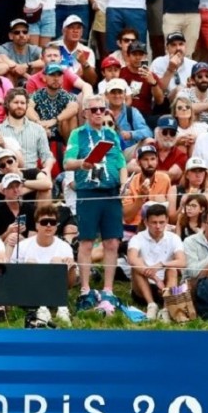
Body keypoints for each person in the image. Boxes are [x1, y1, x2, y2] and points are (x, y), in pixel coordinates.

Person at [63, 95, 128, 315]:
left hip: (111, 192)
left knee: (112, 242)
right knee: (87, 242)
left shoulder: (111, 134)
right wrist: (83, 163)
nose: (99, 112)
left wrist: (123, 184)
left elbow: (121, 162)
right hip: (88, 192)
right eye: (94, 110)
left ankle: (108, 289)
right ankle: (85, 288)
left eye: (102, 109)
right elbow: (67, 162)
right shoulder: (77, 134)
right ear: (85, 113)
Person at [126, 204, 186, 322]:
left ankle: (166, 309)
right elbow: (131, 259)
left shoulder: (174, 238)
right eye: (154, 222)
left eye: (161, 222)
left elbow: (182, 261)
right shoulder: (137, 238)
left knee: (172, 269)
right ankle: (151, 305)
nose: (158, 226)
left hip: (165, 286)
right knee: (136, 265)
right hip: (142, 287)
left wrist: (162, 264)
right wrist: (155, 278)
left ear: (167, 221)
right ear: (146, 222)